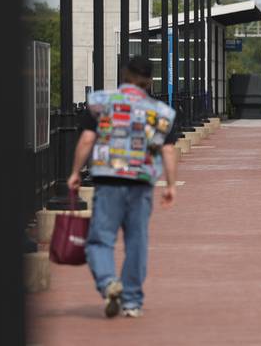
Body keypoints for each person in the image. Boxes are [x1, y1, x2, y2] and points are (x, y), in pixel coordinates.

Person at [67, 56, 179, 318]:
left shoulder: (101, 102)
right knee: (137, 240)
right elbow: (169, 150)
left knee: (100, 239)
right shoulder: (162, 112)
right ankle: (131, 301)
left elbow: (86, 139)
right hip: (141, 181)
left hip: (108, 178)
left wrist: (74, 172)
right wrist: (171, 185)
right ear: (150, 81)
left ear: (123, 75)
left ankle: (108, 282)